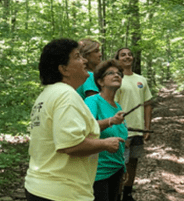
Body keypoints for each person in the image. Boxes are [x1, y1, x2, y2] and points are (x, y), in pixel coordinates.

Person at [25, 38, 124, 201]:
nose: (84, 60)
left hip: (39, 187)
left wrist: (110, 122)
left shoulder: (47, 95)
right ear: (63, 69)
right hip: (61, 192)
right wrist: (105, 144)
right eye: (78, 56)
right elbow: (71, 144)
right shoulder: (66, 95)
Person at [84, 59, 128, 201]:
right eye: (111, 73)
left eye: (119, 73)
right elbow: (85, 129)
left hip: (116, 169)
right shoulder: (92, 101)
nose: (117, 75)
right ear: (100, 82)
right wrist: (110, 121)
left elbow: (121, 139)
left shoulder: (118, 107)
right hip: (98, 172)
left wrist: (123, 167)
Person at [114, 48, 153, 201]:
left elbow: (148, 103)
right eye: (123, 55)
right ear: (117, 58)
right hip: (121, 129)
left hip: (137, 129)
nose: (127, 57)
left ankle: (128, 194)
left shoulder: (141, 80)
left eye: (130, 54)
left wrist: (147, 127)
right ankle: (116, 195)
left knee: (133, 162)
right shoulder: (115, 79)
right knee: (119, 165)